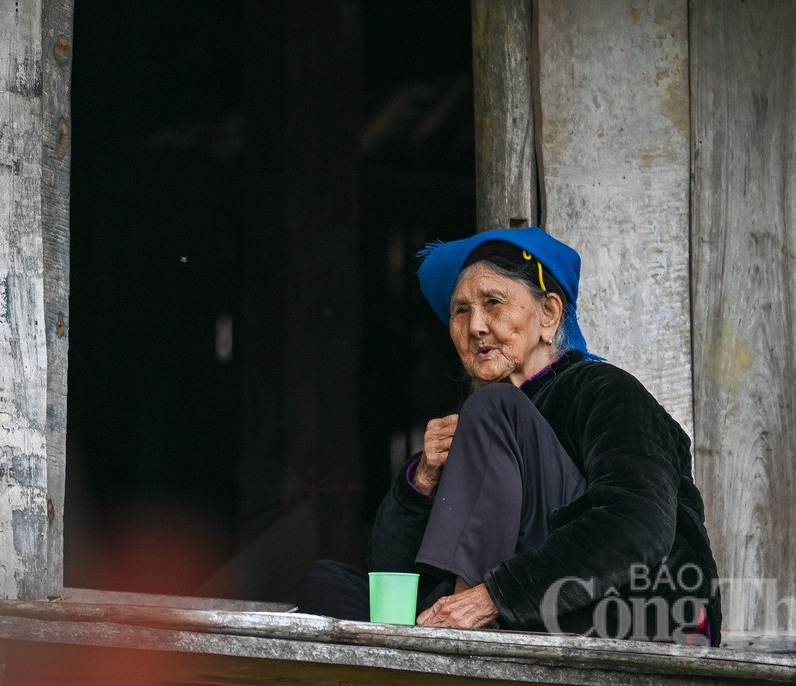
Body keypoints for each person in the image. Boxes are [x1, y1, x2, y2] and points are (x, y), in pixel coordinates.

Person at [297, 227, 720, 643]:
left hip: (624, 609)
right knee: (324, 585)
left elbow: (637, 525)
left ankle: (461, 642)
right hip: (520, 610)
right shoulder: (474, 427)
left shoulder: (603, 390)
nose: (475, 325)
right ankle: (456, 637)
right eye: (460, 310)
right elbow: (391, 581)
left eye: (493, 303)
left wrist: (493, 597)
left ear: (549, 314)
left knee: (492, 405)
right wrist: (423, 480)